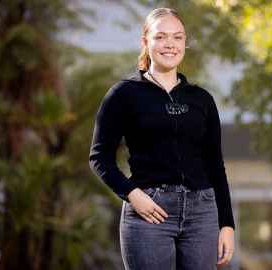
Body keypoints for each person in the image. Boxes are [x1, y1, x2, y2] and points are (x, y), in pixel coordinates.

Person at [89, 7, 235, 270]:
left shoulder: (201, 99)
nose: (170, 44)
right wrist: (133, 195)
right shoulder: (123, 94)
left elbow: (215, 165)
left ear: (185, 44)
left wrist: (226, 224)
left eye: (178, 37)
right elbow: (99, 158)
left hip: (202, 214)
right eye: (161, 37)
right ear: (146, 42)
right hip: (149, 213)